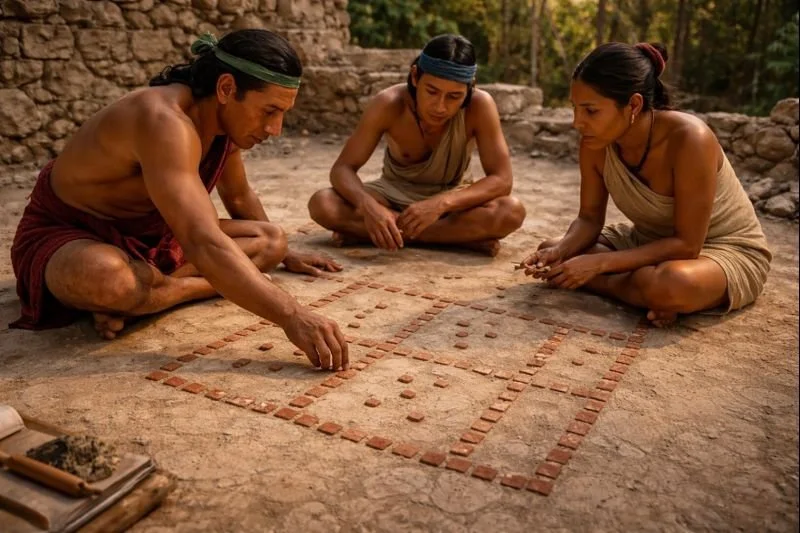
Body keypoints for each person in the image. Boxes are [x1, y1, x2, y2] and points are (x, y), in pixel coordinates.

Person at [10, 30, 349, 370]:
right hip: (71, 235)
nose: (275, 128)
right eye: (269, 111)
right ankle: (145, 293)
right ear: (227, 89)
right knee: (109, 278)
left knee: (271, 241)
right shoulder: (163, 121)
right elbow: (203, 242)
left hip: (155, 239)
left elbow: (238, 195)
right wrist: (291, 314)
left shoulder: (222, 125)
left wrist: (286, 256)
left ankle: (156, 295)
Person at [520, 42, 771, 327]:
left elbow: (688, 245)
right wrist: (561, 251)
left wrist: (599, 265)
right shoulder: (594, 143)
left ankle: (652, 292)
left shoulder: (690, 139)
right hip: (650, 242)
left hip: (721, 250)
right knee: (553, 251)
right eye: (575, 108)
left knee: (671, 284)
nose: (578, 122)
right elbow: (589, 219)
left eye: (591, 111)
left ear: (634, 105)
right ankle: (646, 292)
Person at [307, 34, 526, 257]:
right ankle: (454, 238)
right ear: (414, 77)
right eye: (432, 92)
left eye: (454, 96)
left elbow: (502, 180)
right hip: (391, 195)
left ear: (470, 87)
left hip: (452, 200)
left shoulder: (480, 106)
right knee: (323, 204)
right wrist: (368, 207)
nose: (440, 107)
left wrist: (441, 204)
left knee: (511, 212)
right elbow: (342, 168)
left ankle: (385, 233)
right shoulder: (388, 103)